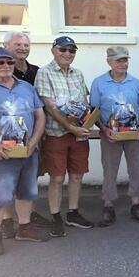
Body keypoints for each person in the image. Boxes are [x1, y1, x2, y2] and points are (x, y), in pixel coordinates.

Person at [0, 47, 49, 256]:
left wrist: (34, 142)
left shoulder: (26, 87)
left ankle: (24, 227)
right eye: (0, 62)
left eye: (9, 62)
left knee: (26, 191)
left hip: (27, 152)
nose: (6, 66)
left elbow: (40, 116)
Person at [34, 36, 93, 237]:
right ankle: (56, 216)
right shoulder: (44, 72)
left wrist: (85, 123)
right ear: (53, 50)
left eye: (72, 50)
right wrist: (70, 127)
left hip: (79, 134)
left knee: (77, 175)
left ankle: (73, 213)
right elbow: (50, 107)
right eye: (63, 49)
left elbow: (83, 102)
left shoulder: (78, 73)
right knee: (57, 178)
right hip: (56, 134)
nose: (68, 54)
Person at [90, 46, 139, 226]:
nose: (123, 64)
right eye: (118, 60)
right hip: (111, 134)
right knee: (109, 169)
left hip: (134, 134)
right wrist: (103, 129)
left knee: (136, 167)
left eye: (125, 60)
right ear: (109, 61)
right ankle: (108, 204)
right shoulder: (99, 83)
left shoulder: (135, 83)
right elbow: (94, 111)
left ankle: (136, 203)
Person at [0, 31, 52, 238]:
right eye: (17, 44)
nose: (22, 48)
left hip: (32, 137)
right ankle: (6, 220)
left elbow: (40, 104)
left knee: (28, 179)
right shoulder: (1, 71)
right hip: (5, 136)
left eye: (25, 44)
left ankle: (26, 216)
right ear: (5, 46)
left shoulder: (36, 72)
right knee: (6, 179)